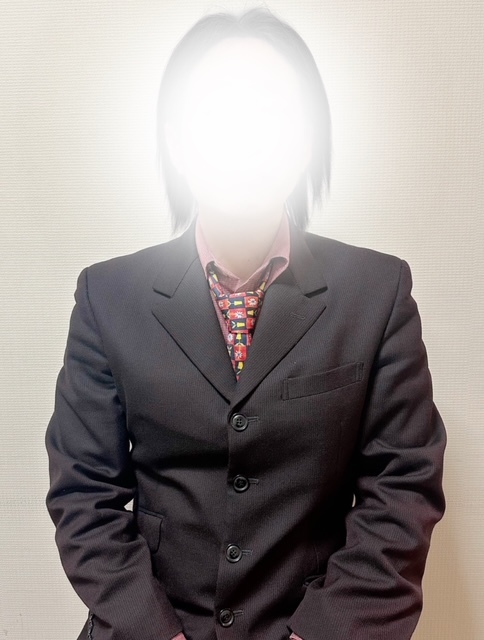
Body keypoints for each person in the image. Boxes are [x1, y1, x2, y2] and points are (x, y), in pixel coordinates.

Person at [45, 7, 446, 640]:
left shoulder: (378, 292)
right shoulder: (107, 296)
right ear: (177, 141)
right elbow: (82, 496)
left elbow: (403, 489)